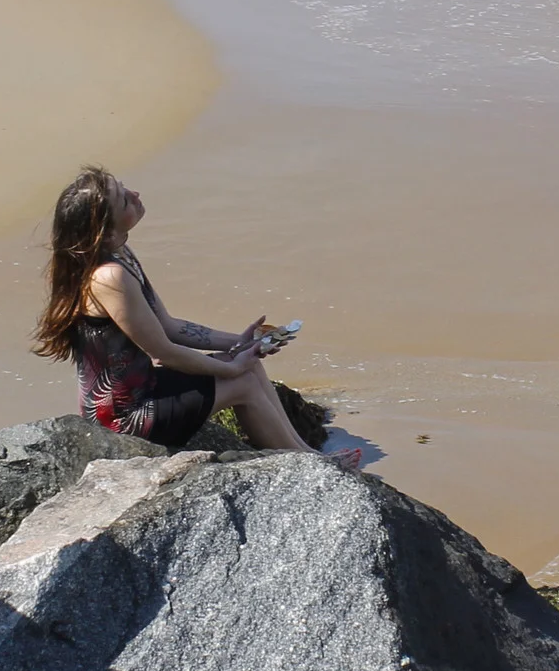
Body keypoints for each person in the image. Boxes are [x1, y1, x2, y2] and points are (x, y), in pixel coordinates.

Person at [31, 166, 356, 464]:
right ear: (106, 233)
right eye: (124, 200)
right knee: (243, 382)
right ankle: (313, 466)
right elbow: (164, 352)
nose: (135, 194)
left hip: (146, 389)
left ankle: (308, 454)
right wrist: (231, 369)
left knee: (250, 365)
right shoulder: (107, 277)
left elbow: (169, 326)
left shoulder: (120, 254)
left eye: (125, 187)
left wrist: (240, 342)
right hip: (124, 419)